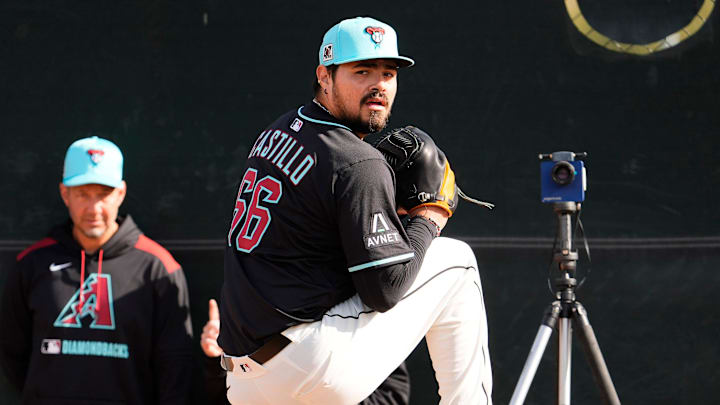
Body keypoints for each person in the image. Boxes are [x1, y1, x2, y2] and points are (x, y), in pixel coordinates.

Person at [218, 16, 492, 404]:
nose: (378, 84)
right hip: (306, 364)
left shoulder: (275, 132)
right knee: (458, 262)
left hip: (245, 379)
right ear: (324, 76)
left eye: (388, 73)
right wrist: (429, 218)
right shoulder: (358, 162)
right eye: (361, 71)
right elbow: (386, 291)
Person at [0, 136, 194, 404]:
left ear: (121, 193)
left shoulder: (159, 268)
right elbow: (12, 353)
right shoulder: (32, 264)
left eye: (103, 194)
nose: (94, 208)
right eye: (82, 194)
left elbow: (176, 367)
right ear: (64, 194)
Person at [200, 299, 411, 404]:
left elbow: (393, 396)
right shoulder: (255, 309)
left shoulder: (362, 309)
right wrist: (220, 360)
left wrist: (317, 390)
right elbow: (225, 397)